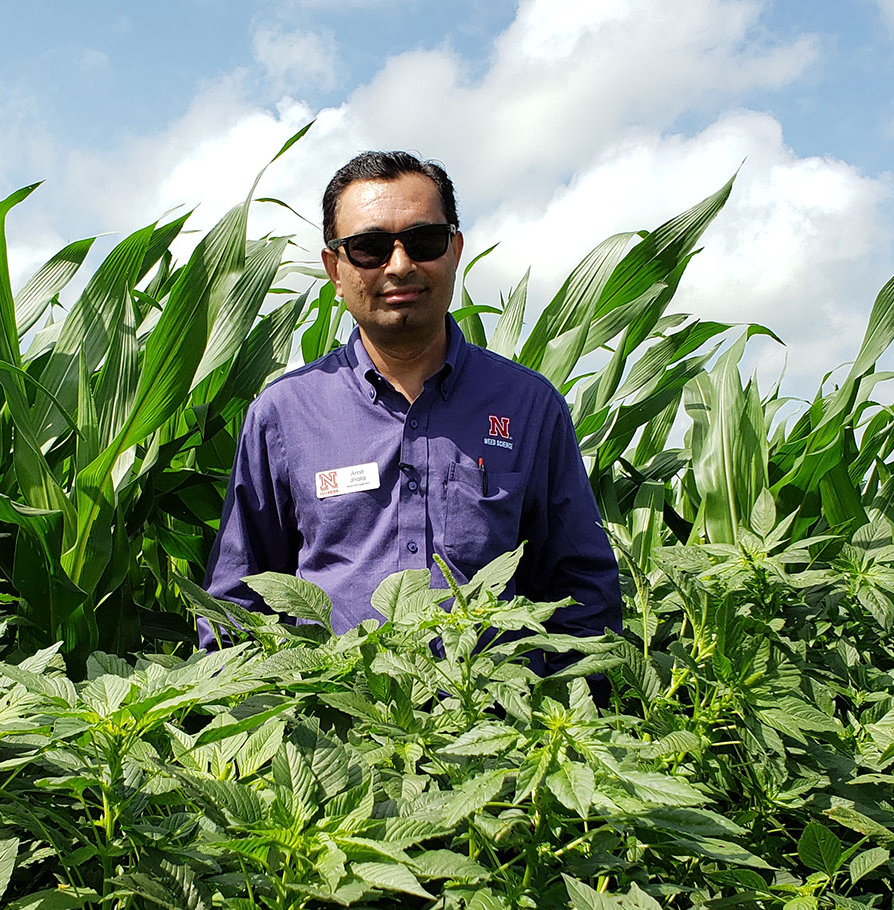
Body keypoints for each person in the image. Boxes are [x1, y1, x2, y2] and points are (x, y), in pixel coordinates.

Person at [200, 150, 620, 650]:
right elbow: (236, 601)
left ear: (455, 249)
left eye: (423, 241)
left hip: (491, 712)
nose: (399, 265)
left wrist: (552, 703)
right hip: (334, 718)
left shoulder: (528, 405)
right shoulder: (285, 414)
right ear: (335, 269)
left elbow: (582, 588)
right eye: (369, 248)